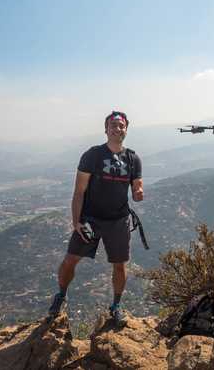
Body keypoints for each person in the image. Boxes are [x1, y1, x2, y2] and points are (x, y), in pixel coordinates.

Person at [48, 111, 143, 326]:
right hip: (90, 219)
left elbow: (137, 186)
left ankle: (116, 306)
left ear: (126, 129)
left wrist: (138, 193)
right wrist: (76, 222)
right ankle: (61, 295)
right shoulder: (93, 155)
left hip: (118, 220)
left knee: (119, 265)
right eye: (113, 125)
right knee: (70, 259)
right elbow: (79, 191)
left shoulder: (133, 158)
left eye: (121, 126)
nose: (117, 129)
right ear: (106, 129)